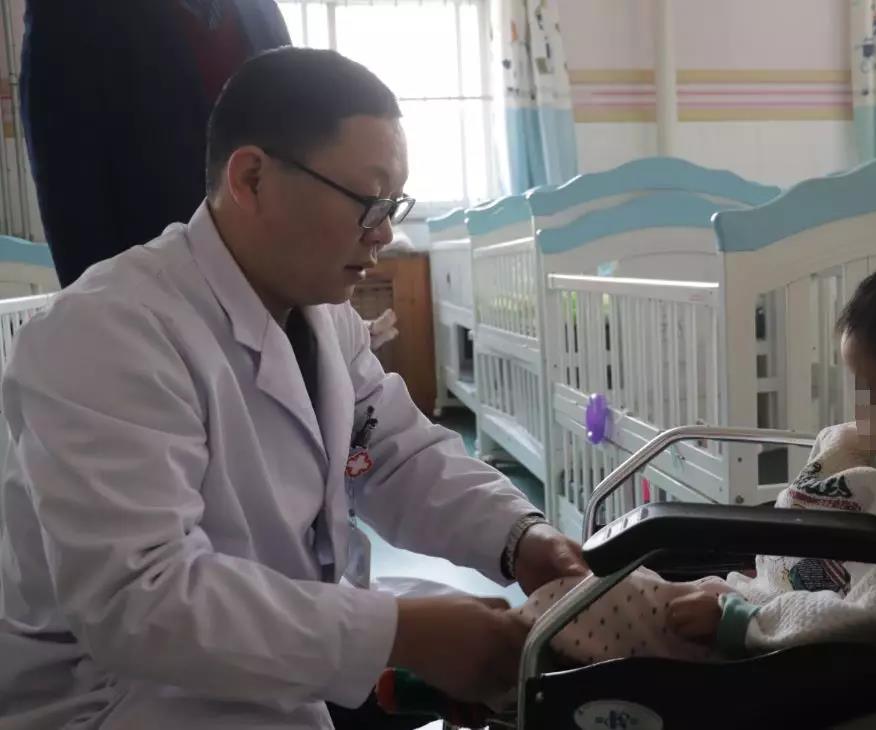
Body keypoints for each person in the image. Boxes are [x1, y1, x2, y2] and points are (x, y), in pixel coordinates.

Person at [0, 48, 587, 730]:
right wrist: (399, 634)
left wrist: (522, 537)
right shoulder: (109, 333)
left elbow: (396, 454)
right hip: (118, 697)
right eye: (369, 201)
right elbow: (140, 601)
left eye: (393, 204)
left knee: (506, 649)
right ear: (252, 179)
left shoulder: (322, 315)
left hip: (276, 636)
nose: (385, 232)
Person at [515, 241, 876, 665]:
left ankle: (504, 653)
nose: (854, 409)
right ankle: (510, 638)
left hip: (764, 650)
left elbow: (865, 616)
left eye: (871, 391)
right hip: (747, 597)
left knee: (562, 622)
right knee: (586, 585)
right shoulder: (873, 448)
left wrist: (741, 623)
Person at [19, 0, 291, 287]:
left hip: (272, 283)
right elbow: (70, 193)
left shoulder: (259, 9)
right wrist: (103, 304)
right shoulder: (70, 12)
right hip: (155, 287)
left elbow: (297, 136)